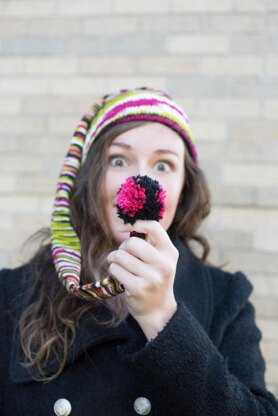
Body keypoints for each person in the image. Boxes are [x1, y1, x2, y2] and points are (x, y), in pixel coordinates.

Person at [0, 87, 277, 416]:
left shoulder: (226, 298)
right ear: (89, 178)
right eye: (119, 160)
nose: (141, 181)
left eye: (163, 166)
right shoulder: (11, 294)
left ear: (184, 189)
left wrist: (162, 317)